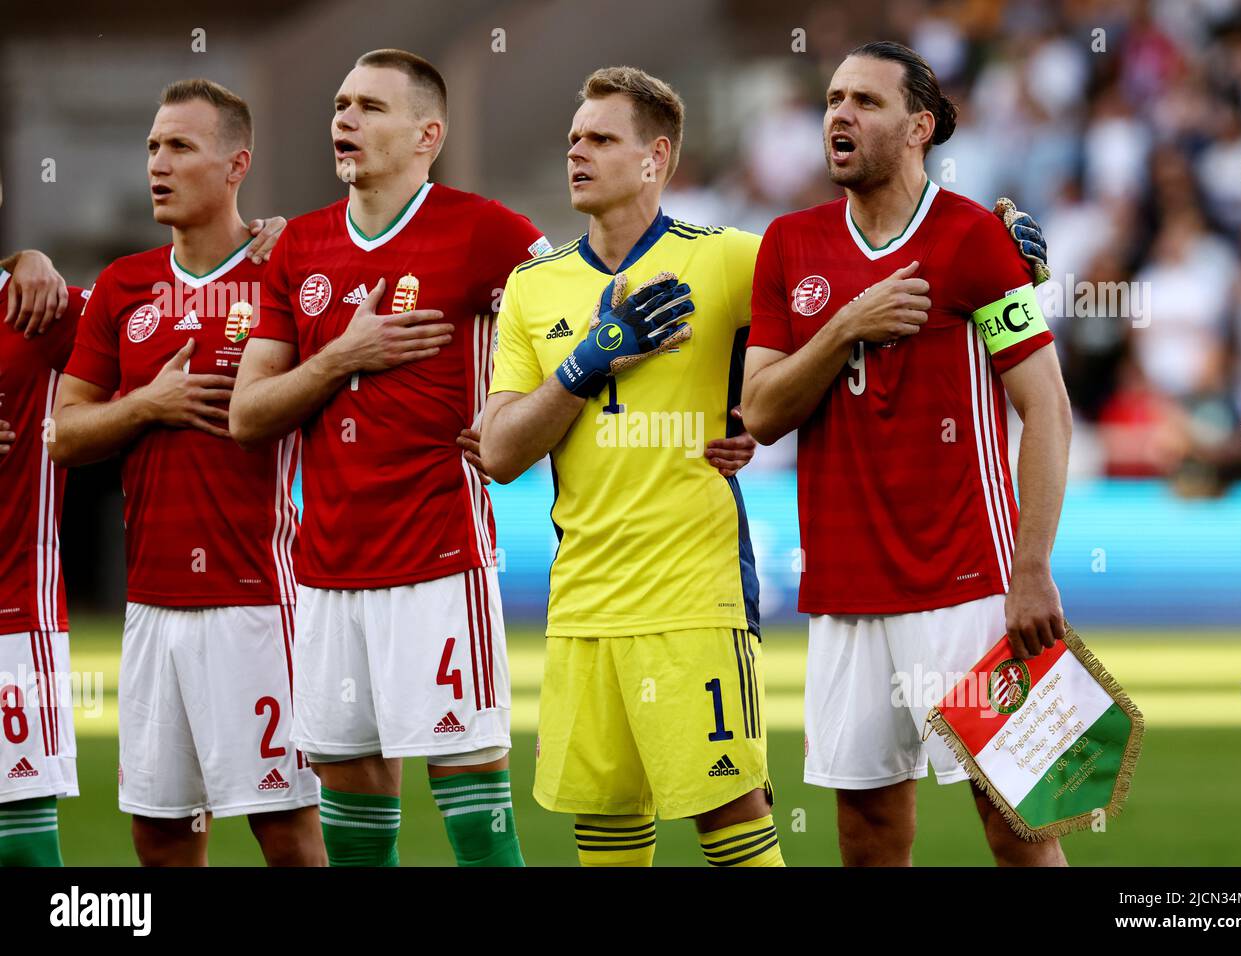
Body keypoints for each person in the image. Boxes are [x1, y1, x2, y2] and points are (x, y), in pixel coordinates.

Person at [741, 41, 1072, 867]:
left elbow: (1047, 409)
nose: (839, 115)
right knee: (867, 837)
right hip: (845, 589)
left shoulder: (976, 241)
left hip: (970, 581)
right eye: (832, 99)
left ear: (920, 126)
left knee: (1020, 825)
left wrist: (1030, 567)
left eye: (865, 101)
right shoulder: (788, 243)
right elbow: (762, 411)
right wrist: (846, 325)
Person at [229, 49, 547, 867]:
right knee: (352, 812)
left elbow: (575, 330)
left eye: (369, 106)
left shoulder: (489, 232)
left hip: (438, 560)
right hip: (327, 572)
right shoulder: (297, 246)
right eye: (340, 104)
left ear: (426, 134)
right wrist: (342, 354)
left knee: (474, 812)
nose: (344, 119)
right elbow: (248, 415)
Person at [480, 66, 778, 867]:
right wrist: (589, 362)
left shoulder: (726, 260)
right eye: (574, 137)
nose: (577, 151)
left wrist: (1003, 258)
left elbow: (845, 285)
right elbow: (500, 451)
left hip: (695, 594)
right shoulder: (533, 288)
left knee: (728, 812)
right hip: (583, 601)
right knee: (606, 825)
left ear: (656, 158)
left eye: (601, 138)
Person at [50, 79, 323, 866]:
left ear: (237, 164)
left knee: (287, 835)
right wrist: (148, 403)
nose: (157, 165)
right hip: (151, 609)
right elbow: (63, 435)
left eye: (180, 147)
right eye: (151, 148)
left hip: (255, 603)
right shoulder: (123, 287)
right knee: (162, 837)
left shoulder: (285, 271)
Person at [0, 166, 87, 866]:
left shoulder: (33, 309)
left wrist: (260, 248)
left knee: (25, 853)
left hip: (12, 622)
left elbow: (183, 307)